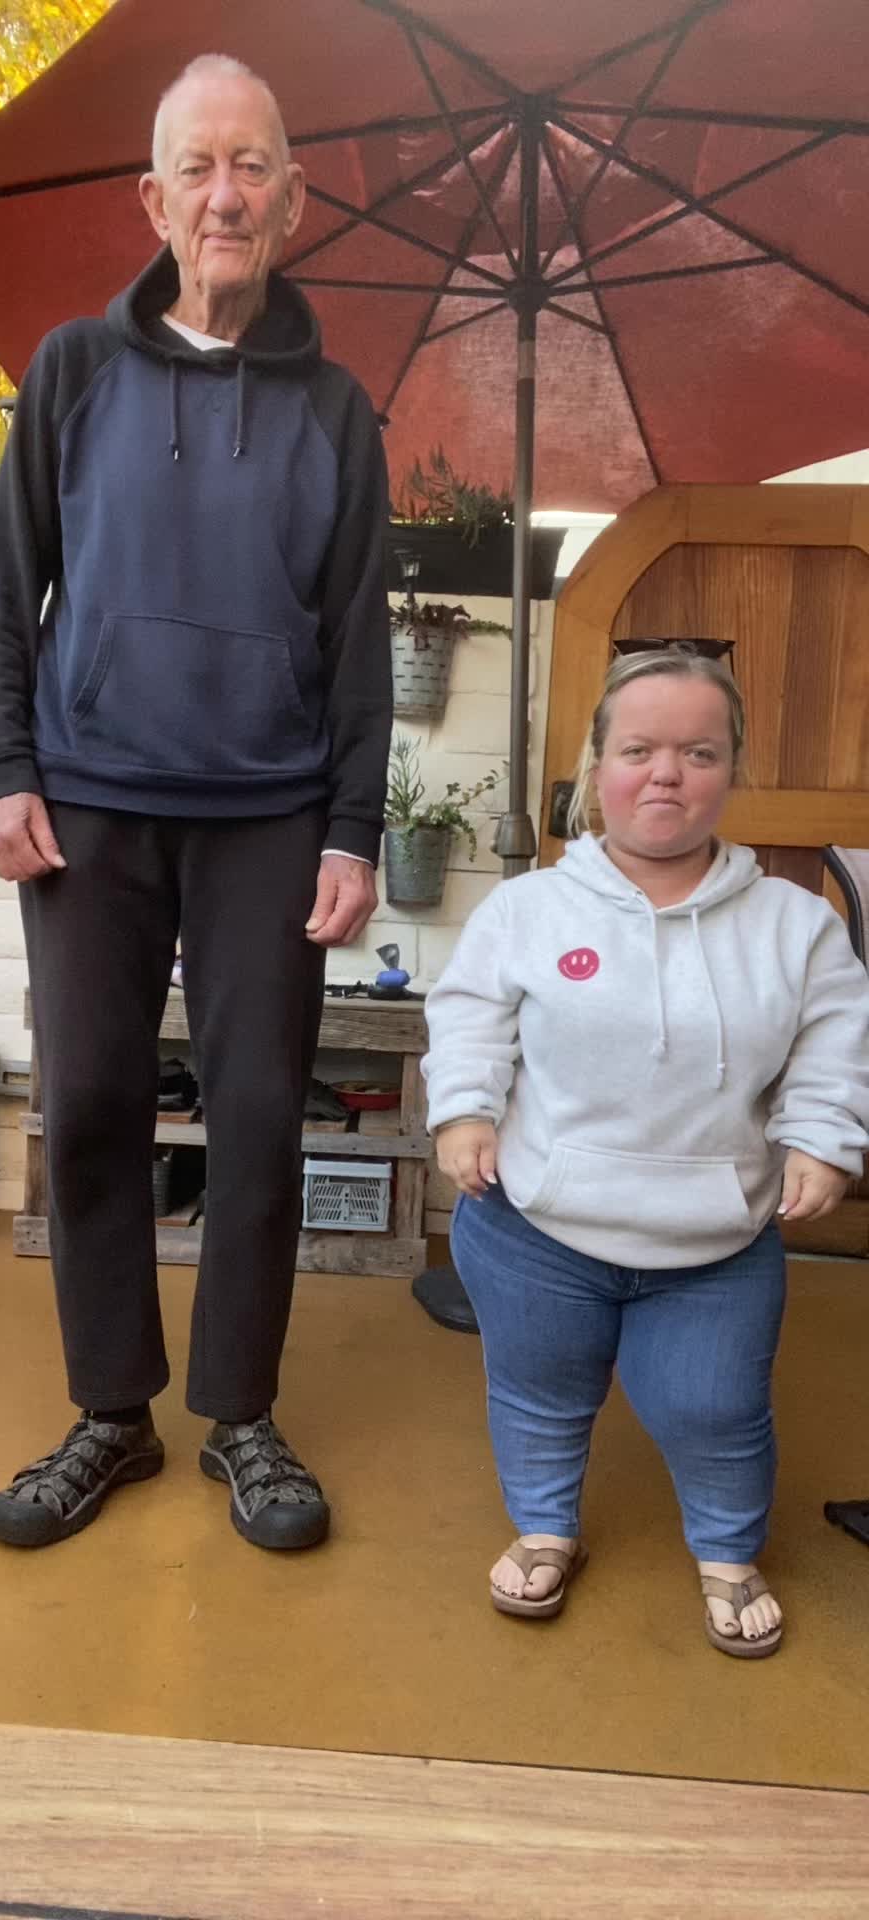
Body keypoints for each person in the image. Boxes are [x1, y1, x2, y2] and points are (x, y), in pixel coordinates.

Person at [0, 54, 391, 1553]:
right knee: (88, 1102)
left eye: (252, 165)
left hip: (270, 811)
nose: (226, 195)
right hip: (90, 804)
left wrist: (353, 827)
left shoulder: (337, 410)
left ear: (293, 198)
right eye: (198, 168)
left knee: (261, 1114)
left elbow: (358, 641)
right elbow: (8, 591)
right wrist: (5, 773)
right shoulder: (74, 371)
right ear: (155, 200)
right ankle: (112, 1412)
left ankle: (242, 1415)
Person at [422, 645, 869, 1657]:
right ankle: (546, 1528)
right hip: (536, 1224)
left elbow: (836, 1045)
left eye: (698, 752)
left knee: (716, 1408)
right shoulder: (527, 909)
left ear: (731, 770)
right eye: (639, 750)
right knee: (539, 1391)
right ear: (597, 767)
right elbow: (469, 1018)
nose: (667, 773)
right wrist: (462, 1114)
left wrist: (823, 1139)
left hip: (714, 1240)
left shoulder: (796, 926)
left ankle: (727, 1552)